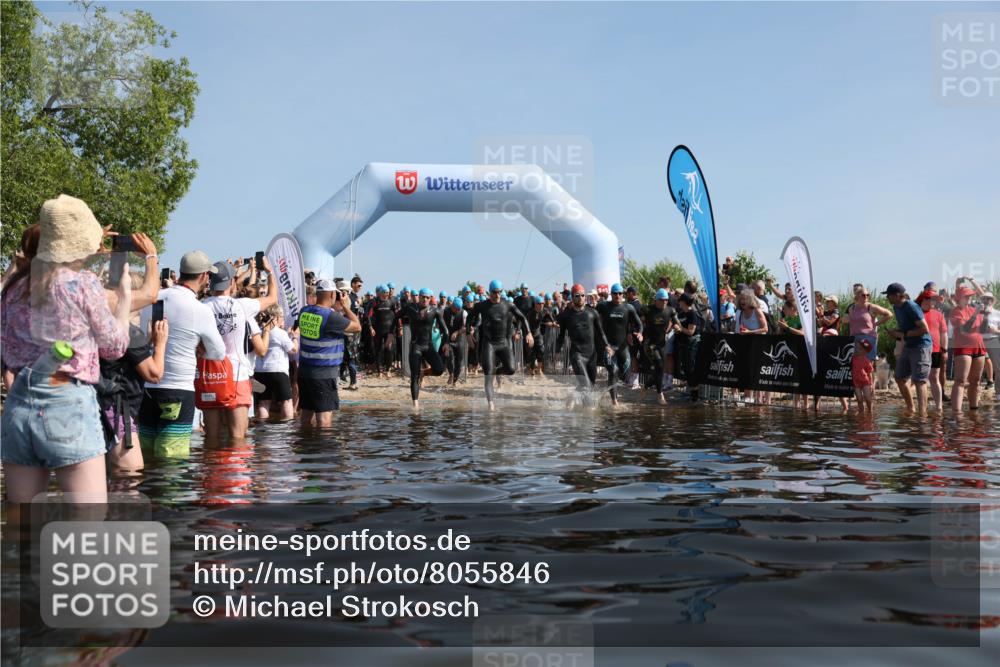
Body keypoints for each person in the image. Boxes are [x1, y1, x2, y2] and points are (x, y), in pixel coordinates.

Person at [1, 195, 131, 502]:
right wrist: (124, 301)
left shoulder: (13, 288)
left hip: (19, 405)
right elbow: (114, 347)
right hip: (67, 402)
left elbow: (5, 352)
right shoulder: (81, 284)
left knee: (23, 528)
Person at [139, 250, 226, 457]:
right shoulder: (199, 309)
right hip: (178, 390)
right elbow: (219, 353)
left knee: (147, 455)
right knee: (173, 459)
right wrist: (199, 350)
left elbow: (142, 338)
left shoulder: (152, 299)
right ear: (205, 276)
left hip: (147, 387)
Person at [201, 258, 278, 439]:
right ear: (231, 282)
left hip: (209, 376)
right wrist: (269, 272)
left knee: (211, 436)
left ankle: (211, 467)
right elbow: (273, 298)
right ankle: (234, 468)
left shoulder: (201, 306)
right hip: (237, 375)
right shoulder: (242, 305)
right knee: (238, 437)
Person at [296, 279, 360, 426]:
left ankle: (305, 444)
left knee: (306, 415)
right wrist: (345, 307)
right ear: (332, 294)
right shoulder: (331, 317)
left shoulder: (304, 312)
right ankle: (324, 448)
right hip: (324, 374)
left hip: (305, 371)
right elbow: (357, 327)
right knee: (324, 419)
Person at [467, 279, 533, 410]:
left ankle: (498, 372)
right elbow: (470, 317)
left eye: (499, 292)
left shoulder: (508, 304)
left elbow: (522, 318)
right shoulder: (482, 305)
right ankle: (491, 405)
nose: (497, 295)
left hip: (503, 343)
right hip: (489, 343)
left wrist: (528, 333)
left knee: (511, 369)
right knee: (488, 375)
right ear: (489, 292)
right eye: (494, 292)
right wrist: (469, 332)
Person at [557, 284, 612, 400]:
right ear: (572, 297)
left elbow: (601, 332)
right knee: (586, 384)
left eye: (583, 295)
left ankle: (573, 398)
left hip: (592, 355)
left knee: (590, 386)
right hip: (577, 355)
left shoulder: (592, 313)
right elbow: (561, 336)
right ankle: (588, 410)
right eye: (577, 296)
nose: (581, 298)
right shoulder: (566, 316)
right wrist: (557, 350)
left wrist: (607, 346)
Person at [883, 283, 932, 414]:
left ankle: (922, 414)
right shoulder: (896, 307)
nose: (887, 298)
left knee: (919, 381)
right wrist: (895, 331)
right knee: (899, 377)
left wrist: (903, 334)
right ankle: (911, 408)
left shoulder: (911, 306)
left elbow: (924, 329)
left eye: (889, 295)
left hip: (921, 346)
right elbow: (906, 327)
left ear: (897, 295)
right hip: (909, 346)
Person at [400, 287, 449, 409]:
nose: (425, 299)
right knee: (414, 376)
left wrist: (446, 343)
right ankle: (415, 404)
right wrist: (393, 332)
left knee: (439, 370)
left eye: (428, 297)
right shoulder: (411, 308)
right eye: (423, 297)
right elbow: (395, 316)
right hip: (416, 346)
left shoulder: (435, 311)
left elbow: (445, 330)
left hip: (428, 346)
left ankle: (424, 373)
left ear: (430, 298)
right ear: (419, 297)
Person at [597, 283, 643, 405]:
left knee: (624, 373)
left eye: (620, 293)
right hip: (609, 346)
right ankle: (614, 401)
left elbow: (639, 324)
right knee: (613, 370)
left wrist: (639, 333)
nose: (617, 295)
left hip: (623, 348)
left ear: (623, 294)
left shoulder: (629, 308)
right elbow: (593, 319)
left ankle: (608, 391)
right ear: (611, 294)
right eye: (615, 293)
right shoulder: (603, 306)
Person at [947, 283, 988, 411]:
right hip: (963, 347)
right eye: (966, 296)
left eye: (970, 296)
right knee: (960, 381)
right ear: (959, 298)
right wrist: (976, 314)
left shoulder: (973, 309)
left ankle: (973, 410)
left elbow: (982, 329)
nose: (969, 298)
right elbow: (965, 329)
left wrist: (985, 316)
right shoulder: (955, 311)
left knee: (976, 381)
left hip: (979, 347)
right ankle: (957, 413)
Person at [253, 305, 298, 420]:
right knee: (286, 402)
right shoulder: (279, 333)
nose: (283, 319)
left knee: (263, 403)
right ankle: (286, 429)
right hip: (278, 372)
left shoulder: (257, 330)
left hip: (260, 371)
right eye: (282, 316)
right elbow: (293, 350)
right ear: (276, 317)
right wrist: (294, 337)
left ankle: (263, 429)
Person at [641, 288, 681, 405]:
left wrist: (677, 326)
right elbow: (635, 319)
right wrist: (637, 330)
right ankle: (660, 394)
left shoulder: (670, 310)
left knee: (660, 370)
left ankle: (646, 386)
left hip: (662, 344)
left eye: (666, 300)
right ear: (656, 300)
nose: (664, 302)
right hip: (649, 343)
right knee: (658, 364)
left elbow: (676, 322)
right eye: (662, 300)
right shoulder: (647, 309)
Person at [916, 289, 949, 410]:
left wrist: (944, 350)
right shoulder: (916, 312)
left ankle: (939, 407)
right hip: (920, 349)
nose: (934, 302)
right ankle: (922, 408)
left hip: (935, 350)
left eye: (935, 300)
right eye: (932, 299)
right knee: (921, 379)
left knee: (935, 378)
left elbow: (944, 333)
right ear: (924, 299)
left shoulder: (939, 314)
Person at [369, 284, 398, 377]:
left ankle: (388, 369)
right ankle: (379, 371)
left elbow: (397, 316)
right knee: (378, 350)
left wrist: (398, 328)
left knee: (389, 349)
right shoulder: (375, 302)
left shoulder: (392, 302)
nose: (387, 294)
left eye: (388, 292)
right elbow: (368, 315)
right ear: (380, 293)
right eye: (385, 292)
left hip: (389, 330)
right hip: (378, 329)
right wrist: (370, 327)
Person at [980, 292, 999, 395]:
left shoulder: (998, 313)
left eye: (989, 299)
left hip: (993, 340)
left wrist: (995, 331)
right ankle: (976, 392)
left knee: (998, 367)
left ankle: (998, 392)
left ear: (992, 301)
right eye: (984, 299)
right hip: (979, 341)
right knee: (978, 366)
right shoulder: (977, 312)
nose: (986, 301)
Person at [852, 338, 875, 413]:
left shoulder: (866, 360)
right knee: (859, 399)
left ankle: (870, 411)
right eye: (856, 348)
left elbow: (870, 372)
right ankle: (861, 413)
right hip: (856, 382)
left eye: (860, 349)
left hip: (865, 382)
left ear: (865, 351)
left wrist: (871, 384)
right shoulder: (852, 359)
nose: (857, 350)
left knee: (868, 398)